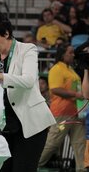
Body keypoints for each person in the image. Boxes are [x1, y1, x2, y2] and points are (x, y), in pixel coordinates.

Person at [0, 10, 56, 172]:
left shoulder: (28, 49)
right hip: (4, 126)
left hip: (30, 124)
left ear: (6, 33)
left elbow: (28, 81)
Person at [38, 43, 86, 172]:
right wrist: (76, 94)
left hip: (75, 112)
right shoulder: (56, 69)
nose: (73, 55)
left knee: (79, 142)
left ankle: (81, 169)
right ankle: (34, 163)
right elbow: (55, 89)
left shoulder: (70, 69)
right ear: (62, 54)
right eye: (70, 52)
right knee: (53, 142)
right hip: (62, 112)